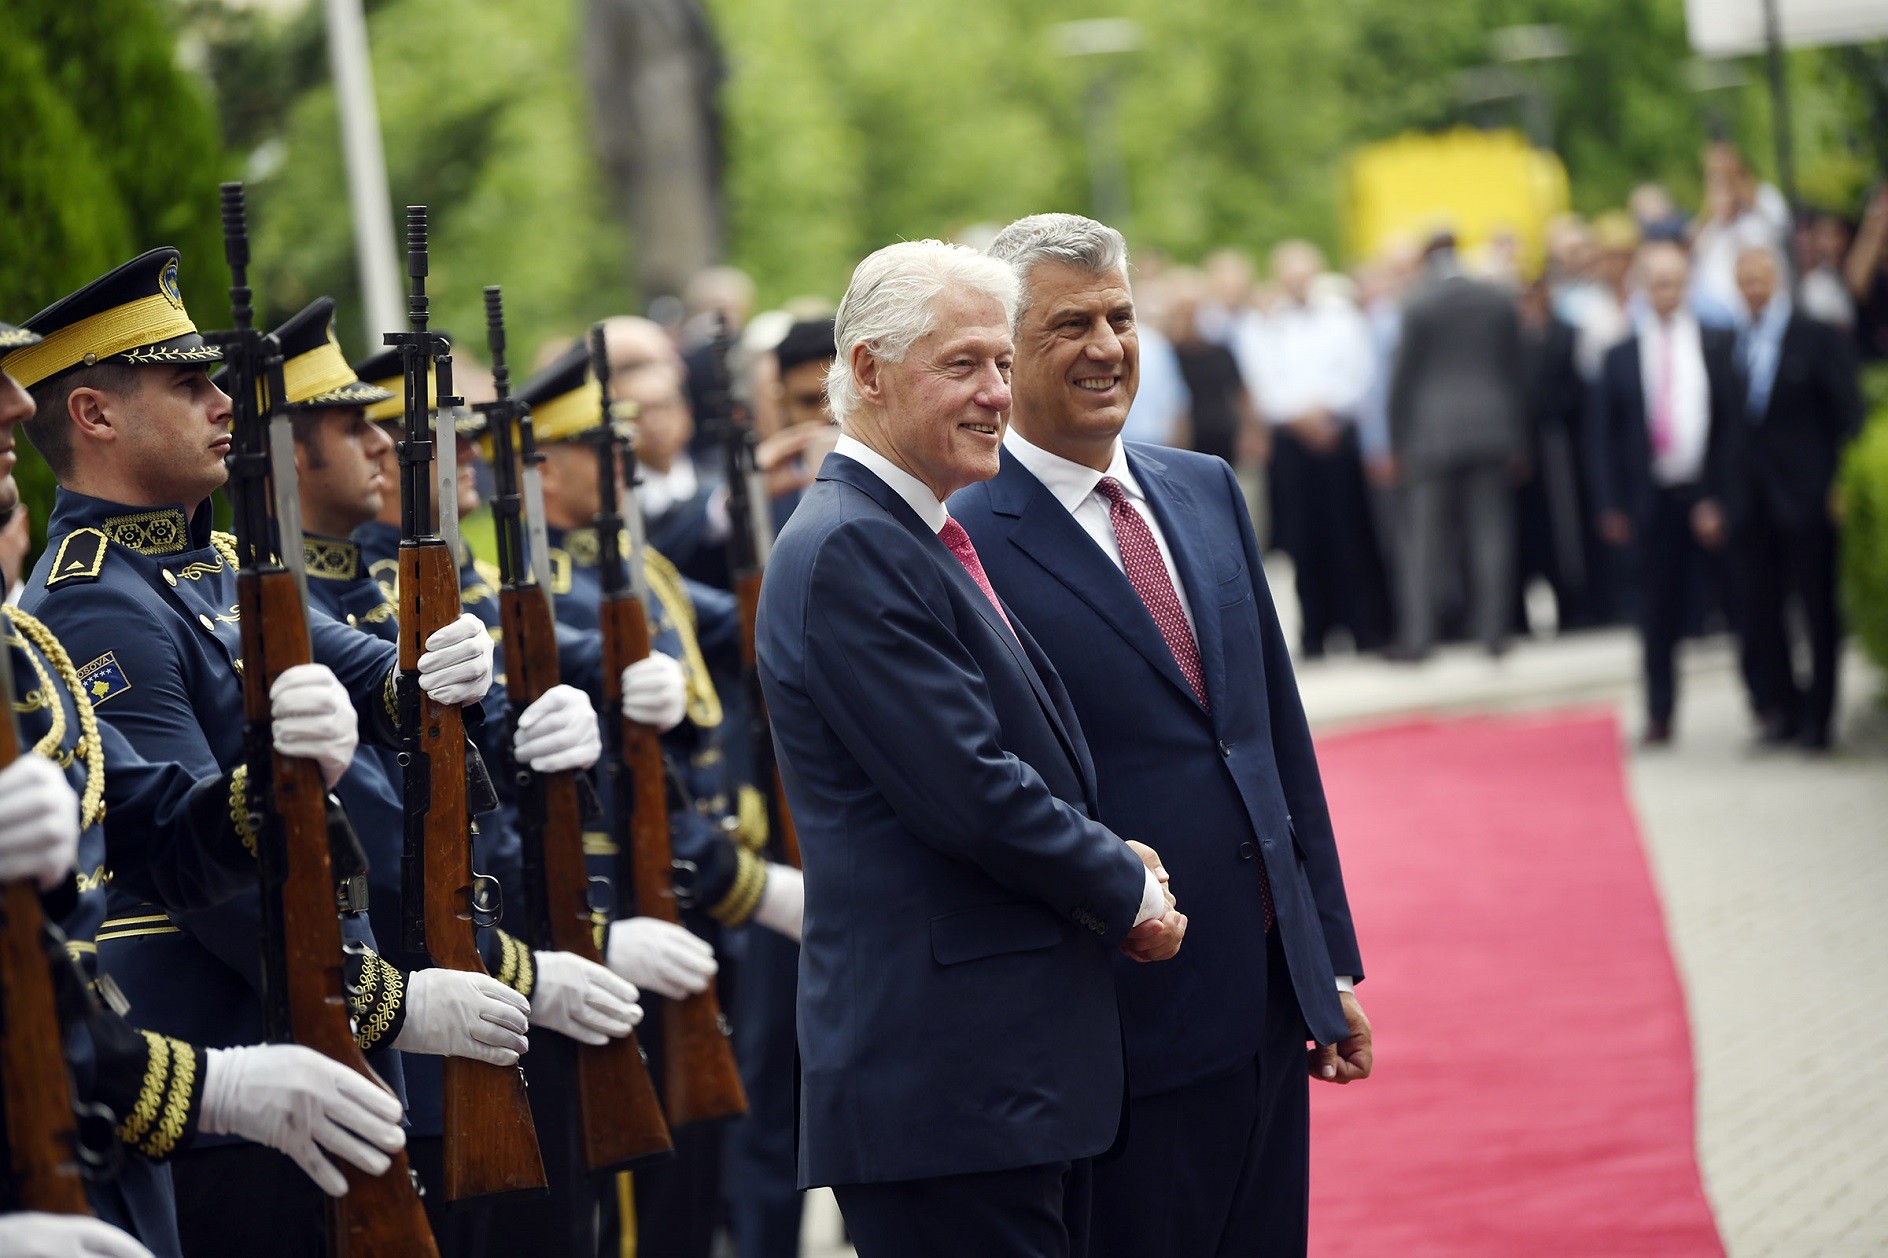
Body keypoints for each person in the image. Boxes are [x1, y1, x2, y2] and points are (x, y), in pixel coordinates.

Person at [5, 249, 521, 1253]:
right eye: (187, 385)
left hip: (315, 1037)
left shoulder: (220, 563)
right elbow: (205, 866)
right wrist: (386, 1003)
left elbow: (378, 676)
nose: (221, 404)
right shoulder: (92, 593)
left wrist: (437, 672)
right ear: (96, 416)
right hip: (237, 1065)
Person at [950, 213, 1370, 1258]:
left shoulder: (1204, 489)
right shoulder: (964, 537)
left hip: (1266, 1006)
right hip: (1122, 1024)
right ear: (1007, 351)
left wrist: (1327, 967)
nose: (1106, 347)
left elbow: (1272, 739)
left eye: (1120, 316)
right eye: (1068, 326)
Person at [755, 239, 1186, 1258]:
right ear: (866, 371)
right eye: (961, 365)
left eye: (1000, 362)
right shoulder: (854, 544)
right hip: (948, 1093)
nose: (997, 393)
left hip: (989, 1088)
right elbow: (972, 791)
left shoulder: (907, 531)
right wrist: (1121, 884)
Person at [269, 301, 634, 1257]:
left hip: (489, 987)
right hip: (419, 1011)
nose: (391, 449)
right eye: (358, 427)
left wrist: (535, 735)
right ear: (290, 457)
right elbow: (390, 841)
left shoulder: (380, 591)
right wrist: (522, 969)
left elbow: (485, 792)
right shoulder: (293, 610)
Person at [508, 343, 803, 1258]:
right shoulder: (548, 595)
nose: (627, 465)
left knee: (701, 1163)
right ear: (545, 468)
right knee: (642, 1194)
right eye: (602, 449)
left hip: (697, 896)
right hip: (629, 903)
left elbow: (775, 627)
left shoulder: (648, 573)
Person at [1588, 242, 1744, 744]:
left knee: (1743, 603)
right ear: (1640, 288)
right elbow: (1603, 439)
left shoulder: (1719, 343)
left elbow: (1734, 427)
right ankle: (1659, 713)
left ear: (1687, 284)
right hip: (1651, 501)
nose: (1665, 291)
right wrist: (1611, 504)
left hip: (1709, 494)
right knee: (1657, 614)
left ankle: (1768, 703)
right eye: (1655, 282)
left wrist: (1719, 495)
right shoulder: (1619, 356)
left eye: (1674, 281)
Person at [1725, 245, 1866, 750]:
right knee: (1761, 608)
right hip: (1752, 500)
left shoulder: (1816, 335)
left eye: (1761, 275)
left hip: (1806, 496)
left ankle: (1820, 718)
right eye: (1744, 277)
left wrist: (1838, 485)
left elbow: (1848, 414)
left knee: (1816, 606)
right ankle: (1781, 708)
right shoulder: (1732, 343)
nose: (1753, 285)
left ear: (1778, 278)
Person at [1237, 241, 1388, 657]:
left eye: (1304, 275)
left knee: (1349, 535)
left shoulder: (1342, 318)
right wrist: (1300, 418)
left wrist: (1326, 412)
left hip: (1337, 436)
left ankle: (1362, 627)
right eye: (1290, 276)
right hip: (1291, 441)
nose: (1298, 284)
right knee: (1302, 540)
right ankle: (1314, 633)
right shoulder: (1266, 325)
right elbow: (1262, 383)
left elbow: (1360, 374)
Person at [1385, 231, 1528, 658]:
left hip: (1432, 434)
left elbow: (1402, 379)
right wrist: (1519, 434)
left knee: (1424, 539)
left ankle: (1420, 636)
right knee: (1491, 532)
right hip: (1492, 429)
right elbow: (1516, 371)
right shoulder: (1497, 297)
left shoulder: (1418, 301)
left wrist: (1396, 441)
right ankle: (1494, 632)